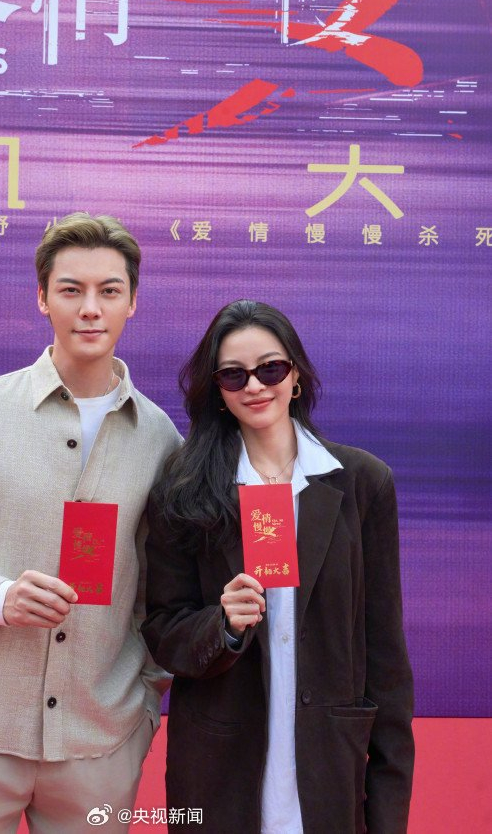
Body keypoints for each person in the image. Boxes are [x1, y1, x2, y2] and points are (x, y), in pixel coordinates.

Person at [0, 213, 181, 834]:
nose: (90, 309)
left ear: (132, 301)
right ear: (43, 297)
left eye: (109, 290)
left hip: (100, 736)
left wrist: (144, 703)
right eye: (71, 290)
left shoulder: (161, 440)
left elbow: (165, 588)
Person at [142, 300, 414, 834]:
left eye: (270, 368)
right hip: (221, 773)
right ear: (217, 391)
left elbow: (385, 656)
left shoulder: (363, 483)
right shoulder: (184, 490)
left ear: (296, 376)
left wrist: (386, 811)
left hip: (329, 770)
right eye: (233, 374)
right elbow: (162, 631)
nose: (254, 386)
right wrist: (221, 626)